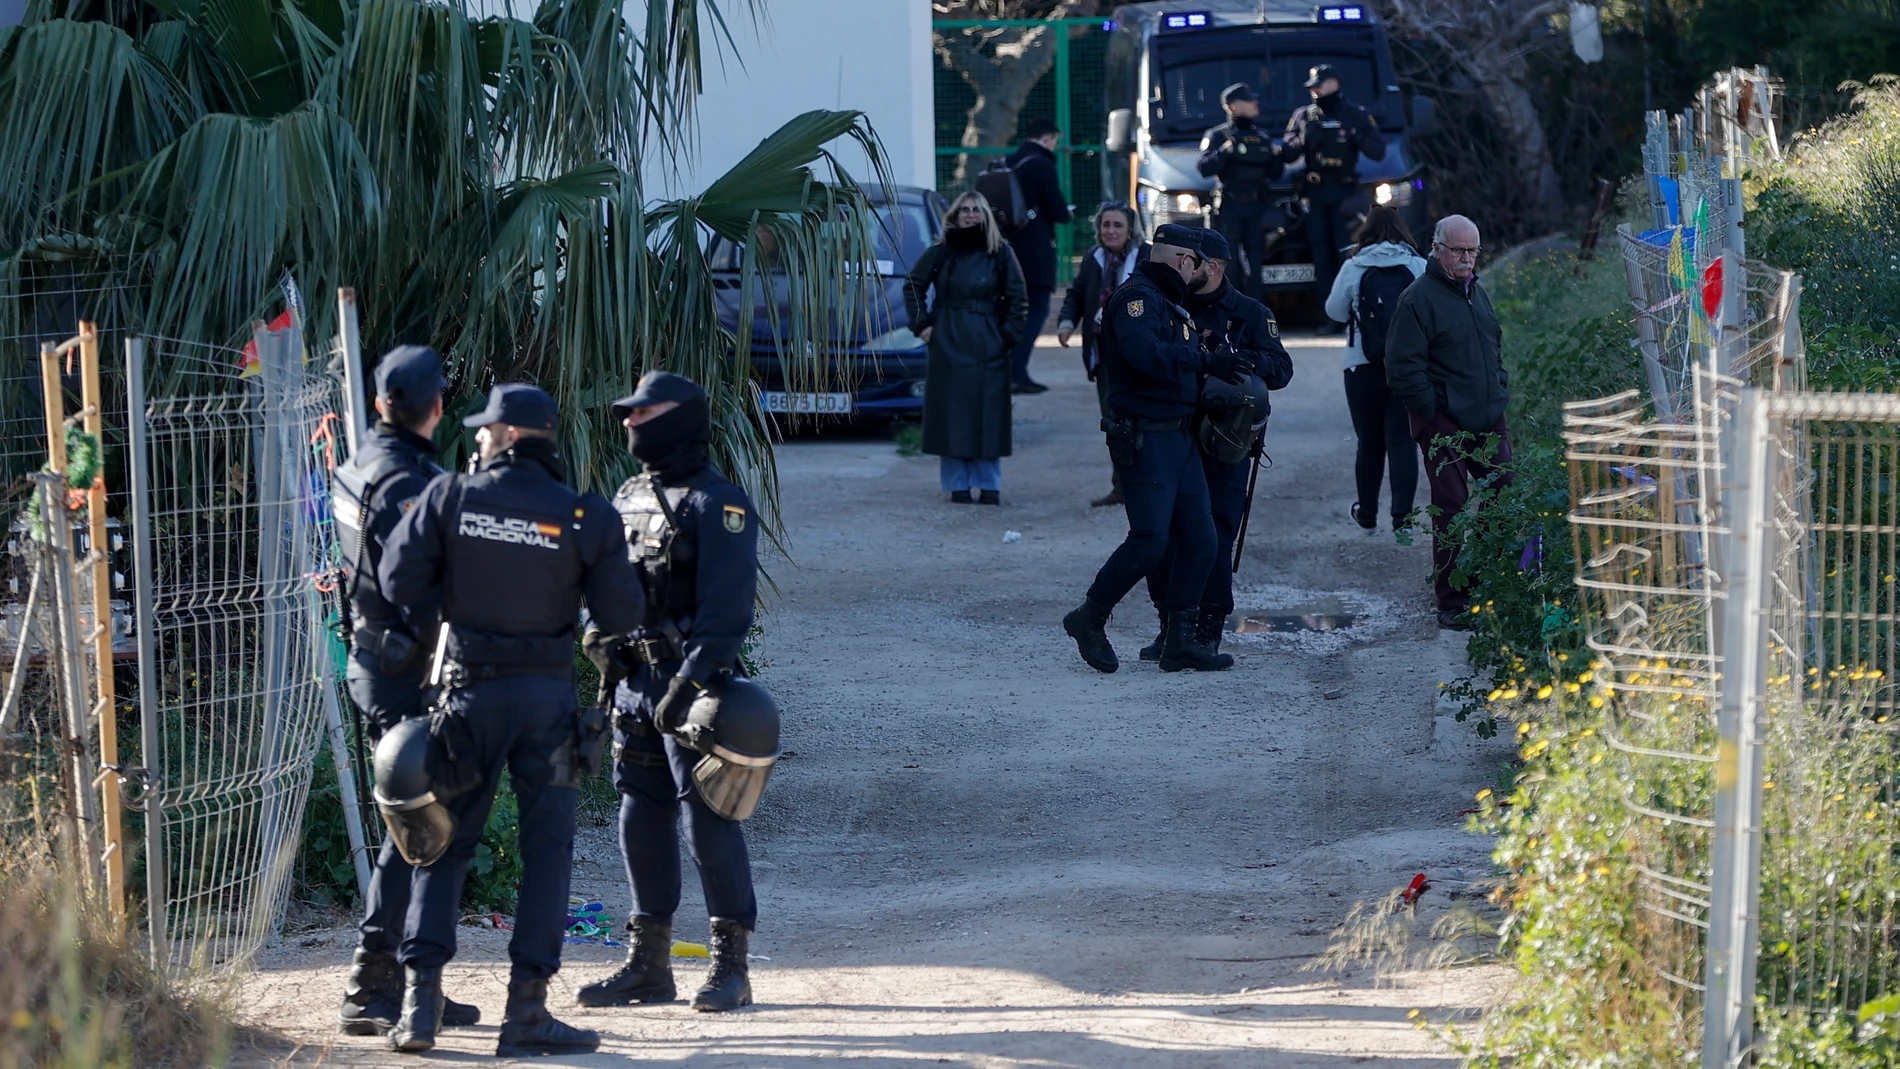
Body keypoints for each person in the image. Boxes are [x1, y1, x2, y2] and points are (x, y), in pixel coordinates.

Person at [379, 383, 645, 1055]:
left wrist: (447, 614)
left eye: (483, 429)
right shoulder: (583, 514)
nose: (474, 438)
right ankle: (525, 1011)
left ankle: (419, 1007)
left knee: (445, 844)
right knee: (547, 851)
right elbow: (620, 616)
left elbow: (396, 579)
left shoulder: (449, 497)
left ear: (509, 435)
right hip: (547, 705)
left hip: (468, 698)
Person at [576, 370, 764, 1014]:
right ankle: (648, 965)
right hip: (634, 686)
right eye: (626, 412)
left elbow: (728, 613)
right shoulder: (629, 495)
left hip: (696, 692)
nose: (628, 422)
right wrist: (595, 635)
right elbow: (600, 580)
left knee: (707, 819)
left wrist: (686, 687)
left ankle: (731, 967)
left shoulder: (720, 504)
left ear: (679, 418)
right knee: (639, 815)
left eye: (642, 412)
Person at [332, 346, 486, 1039]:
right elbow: (417, 584)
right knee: (417, 824)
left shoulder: (357, 463)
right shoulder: (410, 482)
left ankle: (410, 977)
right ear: (439, 406)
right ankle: (374, 980)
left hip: (372, 657)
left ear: (378, 403)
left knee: (414, 819)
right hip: (406, 670)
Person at [1062, 224, 1249, 674]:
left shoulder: (1168, 301)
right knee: (1150, 540)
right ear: (1183, 261)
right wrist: (1205, 360)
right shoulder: (1136, 299)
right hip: (1146, 435)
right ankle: (1088, 617)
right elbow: (1145, 353)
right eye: (1196, 263)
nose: (1198, 272)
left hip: (1179, 436)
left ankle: (1180, 641)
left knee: (1203, 541)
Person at [1139, 229, 1294, 663]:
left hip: (1226, 441)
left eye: (1195, 260)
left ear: (1215, 266)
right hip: (1173, 432)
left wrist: (1237, 362)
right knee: (1164, 533)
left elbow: (1281, 369)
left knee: (1215, 535)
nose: (1184, 267)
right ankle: (1171, 626)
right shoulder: (1168, 303)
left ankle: (1208, 628)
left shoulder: (1248, 312)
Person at [1383, 215, 1510, 630]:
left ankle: (1492, 582)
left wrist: (1499, 388)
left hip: (1489, 417)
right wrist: (1435, 415)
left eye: (1472, 250)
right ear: (1436, 249)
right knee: (1452, 508)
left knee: (1504, 493)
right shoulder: (1417, 299)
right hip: (1444, 425)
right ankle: (1453, 601)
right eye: (1457, 250)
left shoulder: (1477, 291)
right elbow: (1402, 369)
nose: (1466, 258)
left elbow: (1493, 347)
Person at [903, 190, 1029, 505]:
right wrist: (923, 325)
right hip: (949, 337)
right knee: (952, 413)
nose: (970, 215)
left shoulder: (1000, 251)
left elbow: (1018, 298)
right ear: (955, 215)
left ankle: (989, 484)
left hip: (988, 338)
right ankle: (957, 483)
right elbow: (913, 285)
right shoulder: (941, 251)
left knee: (988, 413)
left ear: (985, 215)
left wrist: (1006, 336)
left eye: (976, 209)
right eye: (965, 210)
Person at [1325, 205, 1427, 536]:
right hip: (1406, 366)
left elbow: (1335, 311)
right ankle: (1403, 519)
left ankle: (1367, 513)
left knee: (1369, 441)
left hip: (1361, 365)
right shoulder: (1417, 265)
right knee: (1401, 439)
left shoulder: (1354, 266)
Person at [1281, 64, 1387, 328]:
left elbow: (1378, 151)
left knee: (1347, 254)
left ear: (1335, 84)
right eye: (1312, 87)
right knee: (1320, 254)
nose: (1315, 90)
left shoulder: (1356, 114)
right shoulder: (1303, 115)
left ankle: (1355, 314)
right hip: (1316, 194)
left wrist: (1354, 135)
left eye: (1320, 85)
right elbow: (1287, 153)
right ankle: (1331, 316)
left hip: (1344, 195)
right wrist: (1304, 138)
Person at [1057, 201, 1147, 508]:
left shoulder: (1145, 257)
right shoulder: (1093, 259)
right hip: (1105, 355)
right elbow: (1077, 294)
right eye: (1106, 225)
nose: (1110, 231)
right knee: (1113, 422)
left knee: (1146, 421)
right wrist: (1068, 322)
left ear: (1131, 229)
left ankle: (1148, 487)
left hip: (1141, 355)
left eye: (1117, 225)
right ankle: (1120, 487)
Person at [1003, 116, 1074, 394]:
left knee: (1012, 310)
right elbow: (1057, 210)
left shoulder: (1008, 162)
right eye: (1055, 141)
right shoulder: (1042, 165)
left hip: (1008, 248)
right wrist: (1065, 212)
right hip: (1035, 251)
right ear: (1048, 138)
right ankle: (1018, 372)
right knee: (1036, 310)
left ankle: (1007, 370)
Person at [1197, 83, 1285, 301]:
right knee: (1229, 262)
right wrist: (1224, 151)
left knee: (1256, 262)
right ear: (1233, 106)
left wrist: (1277, 155)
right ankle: (1228, 311)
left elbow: (1275, 173)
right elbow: (1204, 168)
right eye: (1249, 100)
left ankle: (1256, 312)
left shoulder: (1262, 137)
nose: (1256, 104)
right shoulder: (1218, 135)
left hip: (1256, 207)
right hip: (1230, 207)